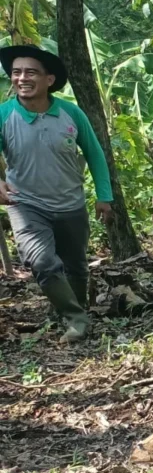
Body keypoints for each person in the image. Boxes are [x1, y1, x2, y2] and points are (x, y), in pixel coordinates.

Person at [0, 45, 114, 343]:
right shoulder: (4, 114)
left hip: (70, 203)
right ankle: (76, 320)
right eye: (16, 72)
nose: (21, 78)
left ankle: (73, 311)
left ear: (49, 80)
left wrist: (104, 195)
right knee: (40, 261)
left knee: (75, 266)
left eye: (30, 72)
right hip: (26, 204)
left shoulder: (70, 113)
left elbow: (94, 153)